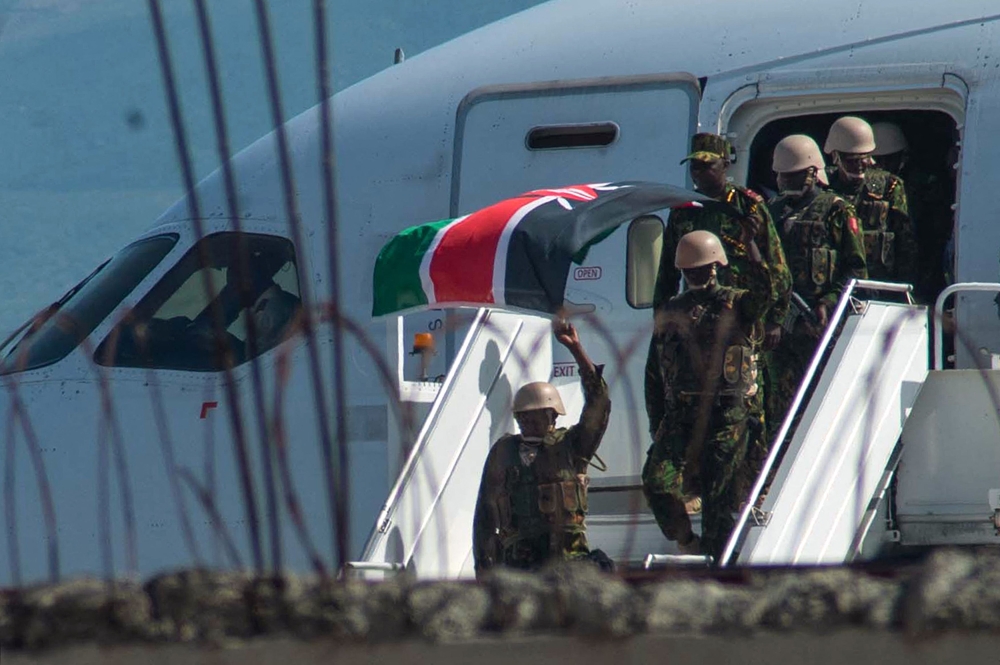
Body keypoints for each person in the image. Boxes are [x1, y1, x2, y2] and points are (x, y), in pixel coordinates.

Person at [653, 132, 792, 502]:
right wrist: (660, 318)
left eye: (706, 165)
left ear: (725, 165)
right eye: (694, 166)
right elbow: (669, 270)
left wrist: (776, 316)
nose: (699, 173)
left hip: (744, 316)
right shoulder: (684, 211)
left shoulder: (748, 206)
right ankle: (701, 484)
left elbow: (776, 265)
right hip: (699, 317)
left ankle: (755, 487)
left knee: (750, 404)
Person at [643, 229, 770, 561]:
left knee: (720, 502)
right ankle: (686, 540)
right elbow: (654, 373)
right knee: (657, 482)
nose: (697, 274)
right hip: (682, 415)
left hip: (728, 415)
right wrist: (656, 423)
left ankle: (718, 568)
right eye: (690, 270)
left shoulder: (739, 302)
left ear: (717, 266)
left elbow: (768, 292)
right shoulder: (671, 312)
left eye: (703, 267)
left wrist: (754, 252)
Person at [472, 319, 610, 577]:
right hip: (520, 566)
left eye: (534, 415)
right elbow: (485, 515)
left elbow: (599, 404)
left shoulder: (571, 445)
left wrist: (576, 350)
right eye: (522, 416)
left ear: (552, 415)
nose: (526, 421)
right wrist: (483, 566)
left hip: (568, 562)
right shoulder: (504, 452)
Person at [767, 135, 868, 428]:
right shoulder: (772, 212)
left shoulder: (837, 209)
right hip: (782, 328)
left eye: (791, 175)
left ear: (812, 172)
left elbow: (856, 269)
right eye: (781, 175)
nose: (783, 181)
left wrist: (827, 303)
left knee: (824, 401)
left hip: (822, 324)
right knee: (780, 408)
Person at [825, 116, 917, 286]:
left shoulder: (890, 185)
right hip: (836, 286)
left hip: (880, 284)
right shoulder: (824, 187)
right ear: (835, 156)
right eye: (852, 160)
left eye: (865, 159)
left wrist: (904, 286)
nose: (860, 165)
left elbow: (906, 243)